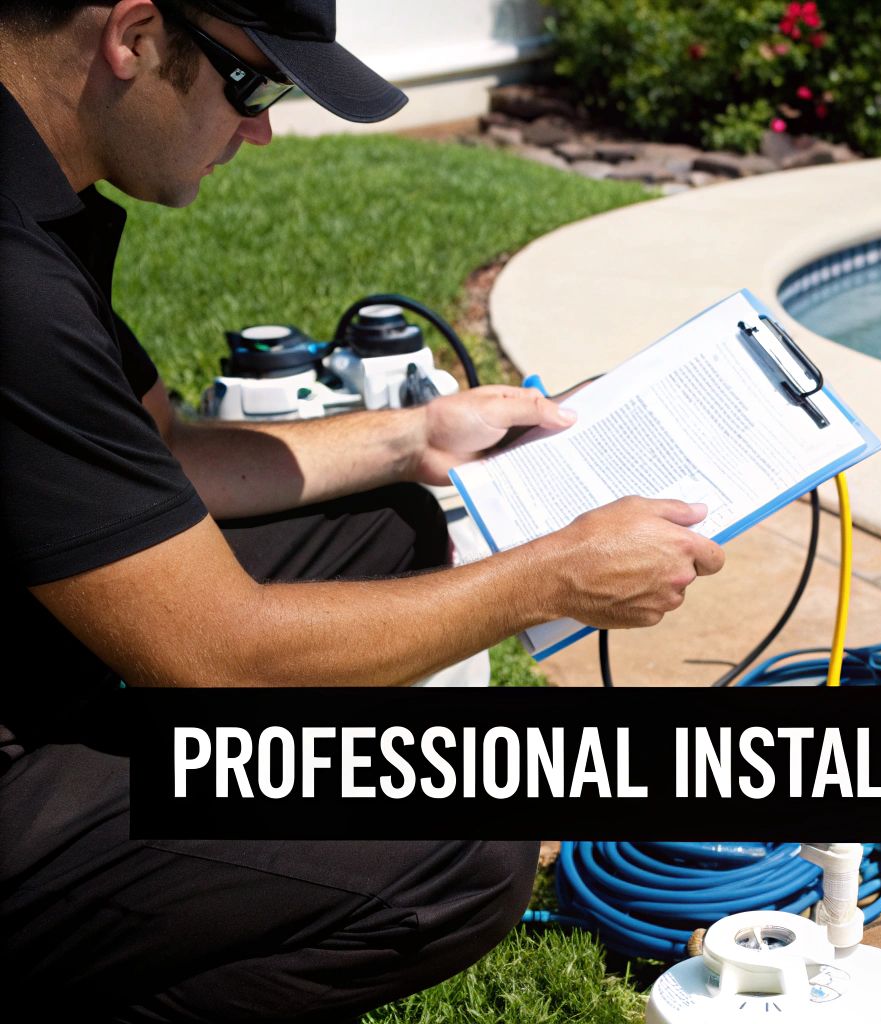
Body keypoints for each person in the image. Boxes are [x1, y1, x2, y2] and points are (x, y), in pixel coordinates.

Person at [0, 1, 726, 1018]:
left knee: (387, 526)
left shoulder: (38, 184)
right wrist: (546, 577)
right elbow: (215, 657)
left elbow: (153, 454)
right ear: (132, 37)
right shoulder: (13, 284)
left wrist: (413, 439)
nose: (261, 131)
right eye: (251, 86)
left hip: (41, 661)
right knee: (461, 843)